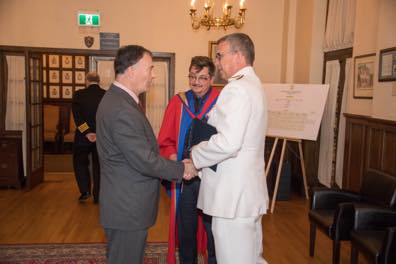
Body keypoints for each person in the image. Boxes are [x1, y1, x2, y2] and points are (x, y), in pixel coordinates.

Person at [95, 45, 197, 264]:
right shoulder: (121, 108)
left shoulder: (121, 101)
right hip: (127, 209)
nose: (154, 74)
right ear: (131, 71)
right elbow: (144, 159)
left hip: (126, 205)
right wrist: (183, 168)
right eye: (150, 68)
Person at [190, 33, 269, 264]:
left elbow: (228, 143)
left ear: (238, 55)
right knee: (252, 258)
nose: (217, 62)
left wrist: (195, 155)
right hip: (246, 194)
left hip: (232, 197)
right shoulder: (255, 85)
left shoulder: (237, 89)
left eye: (220, 55)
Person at [158, 56, 219, 264]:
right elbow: (165, 141)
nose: (196, 82)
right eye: (192, 77)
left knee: (213, 229)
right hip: (186, 177)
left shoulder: (222, 101)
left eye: (202, 78)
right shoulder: (178, 102)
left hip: (212, 177)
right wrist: (178, 162)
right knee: (186, 227)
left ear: (211, 79)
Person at [71, 71, 105, 203]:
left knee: (79, 162)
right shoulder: (106, 95)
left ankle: (85, 191)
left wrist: (87, 133)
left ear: (86, 81)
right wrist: (97, 133)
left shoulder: (79, 95)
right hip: (101, 137)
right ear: (99, 81)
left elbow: (77, 117)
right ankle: (98, 195)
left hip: (82, 137)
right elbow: (107, 118)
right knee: (99, 165)